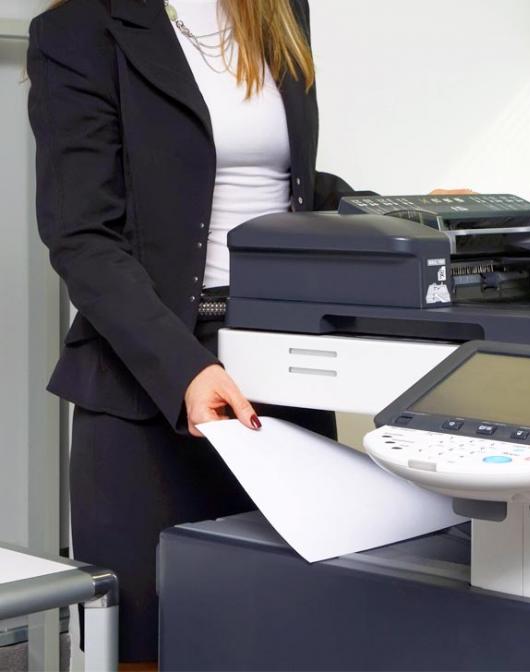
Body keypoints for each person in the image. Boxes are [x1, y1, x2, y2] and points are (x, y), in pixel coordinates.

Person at [25, 0, 384, 662]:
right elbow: (83, 237)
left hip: (282, 363)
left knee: (284, 633)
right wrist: (185, 368)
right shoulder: (78, 30)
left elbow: (285, 188)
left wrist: (405, 213)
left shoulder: (277, 12)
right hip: (147, 383)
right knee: (143, 644)